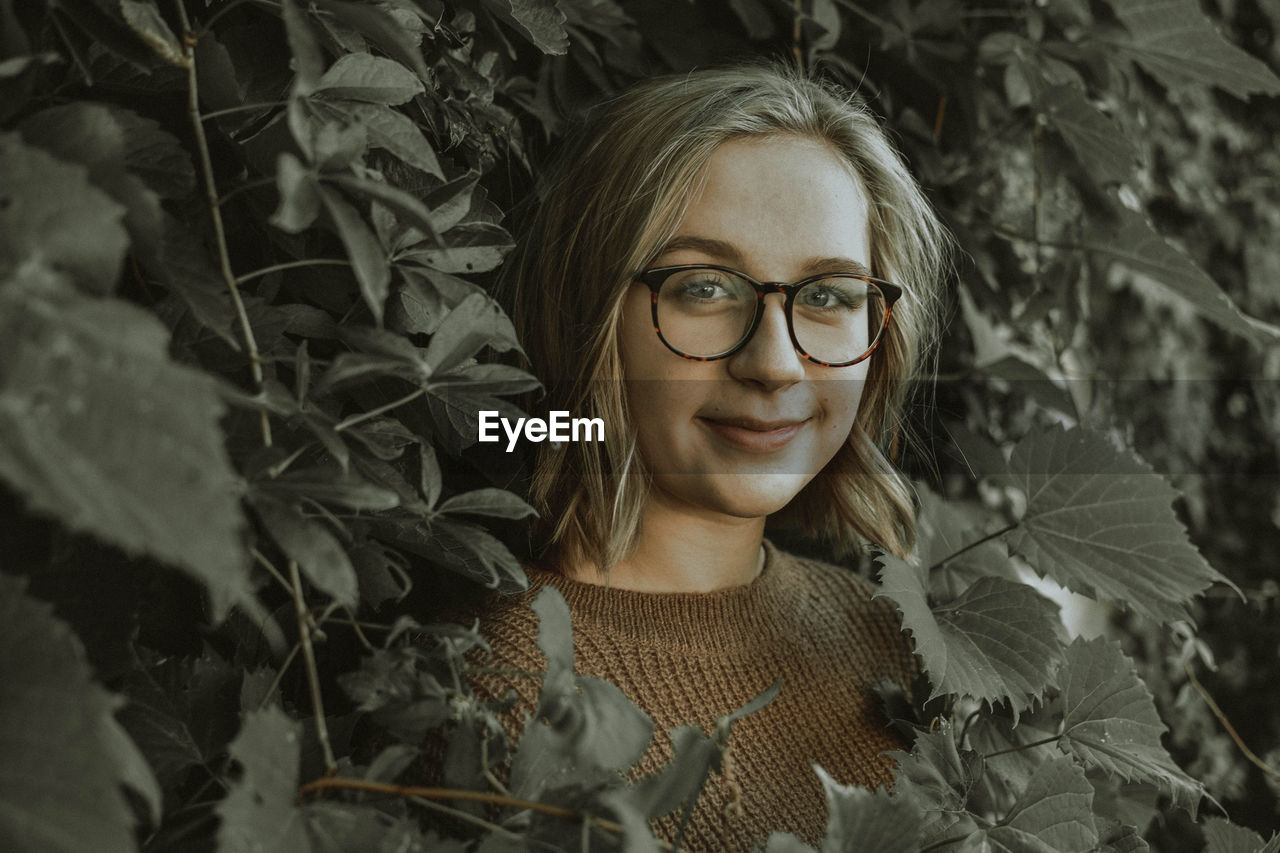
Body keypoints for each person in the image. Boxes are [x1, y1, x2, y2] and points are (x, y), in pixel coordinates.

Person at [454, 63, 950, 851]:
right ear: (587, 312)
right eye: (706, 288)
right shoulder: (500, 694)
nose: (776, 364)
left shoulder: (900, 644)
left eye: (828, 295)